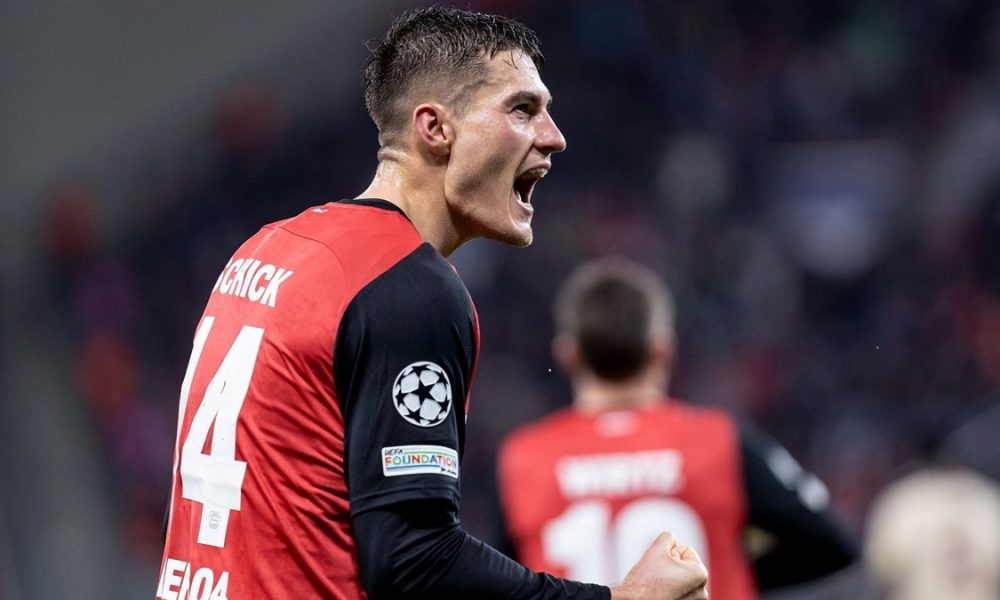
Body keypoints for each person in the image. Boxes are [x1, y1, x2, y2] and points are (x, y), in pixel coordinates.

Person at [157, 7, 707, 600]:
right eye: (522, 110)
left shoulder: (267, 249)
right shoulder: (407, 289)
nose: (554, 136)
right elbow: (414, 559)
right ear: (435, 128)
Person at [496, 257, 857, 599]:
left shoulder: (523, 459)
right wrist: (726, 570)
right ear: (663, 350)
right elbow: (834, 544)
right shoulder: (719, 442)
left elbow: (498, 581)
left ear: (567, 354)